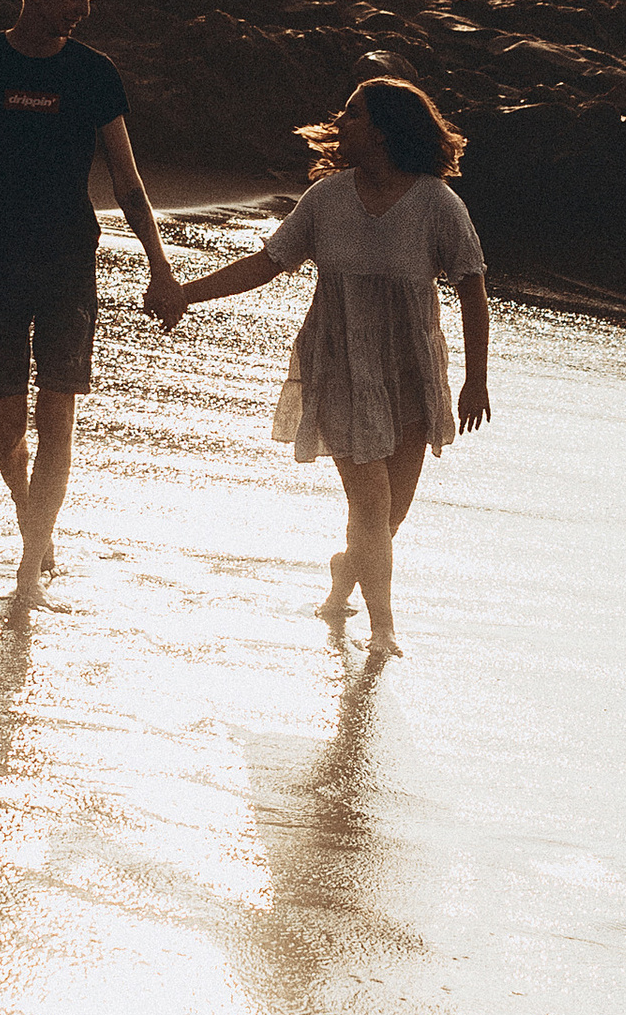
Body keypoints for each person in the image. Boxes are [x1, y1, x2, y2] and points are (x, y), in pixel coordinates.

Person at [159, 78, 490, 656]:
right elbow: (265, 263)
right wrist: (185, 294)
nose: (340, 123)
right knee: (371, 505)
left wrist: (476, 379)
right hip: (338, 366)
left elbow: (473, 290)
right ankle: (383, 630)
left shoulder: (438, 205)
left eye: (354, 115)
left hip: (410, 373)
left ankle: (347, 569)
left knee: (390, 515)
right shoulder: (326, 199)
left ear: (383, 131)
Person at [0, 0, 182, 607]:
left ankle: (28, 568)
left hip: (69, 265)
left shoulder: (94, 74)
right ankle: (33, 521)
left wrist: (161, 269)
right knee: (5, 431)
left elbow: (129, 183)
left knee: (57, 418)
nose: (82, 9)